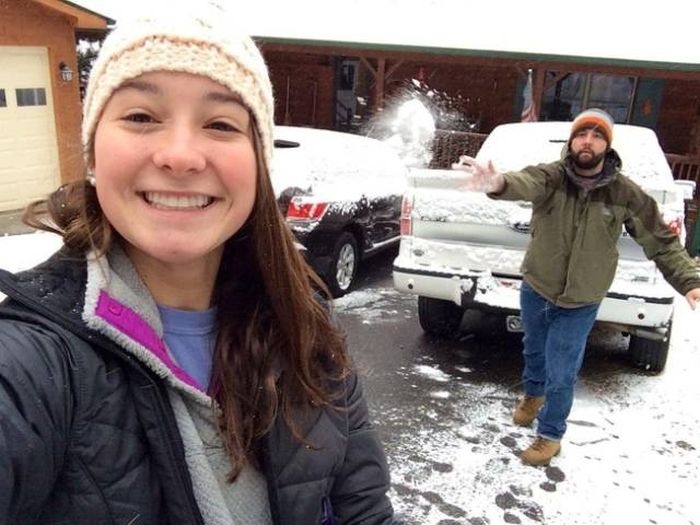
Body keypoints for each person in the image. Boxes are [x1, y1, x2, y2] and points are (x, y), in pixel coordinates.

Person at [0, 5, 400, 524]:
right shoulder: (32, 361)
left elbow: (363, 510)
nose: (181, 155)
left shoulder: (305, 330)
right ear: (94, 152)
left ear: (258, 164)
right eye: (141, 116)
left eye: (220, 123)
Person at [452, 108, 700, 467]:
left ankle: (551, 435)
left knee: (562, 370)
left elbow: (660, 240)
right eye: (582, 134)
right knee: (534, 351)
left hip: (581, 300)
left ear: (607, 146)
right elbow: (525, 181)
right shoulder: (552, 177)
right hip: (537, 286)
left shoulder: (624, 193)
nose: (588, 141)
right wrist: (498, 183)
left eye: (597, 136)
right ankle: (533, 396)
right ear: (571, 142)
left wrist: (689, 281)